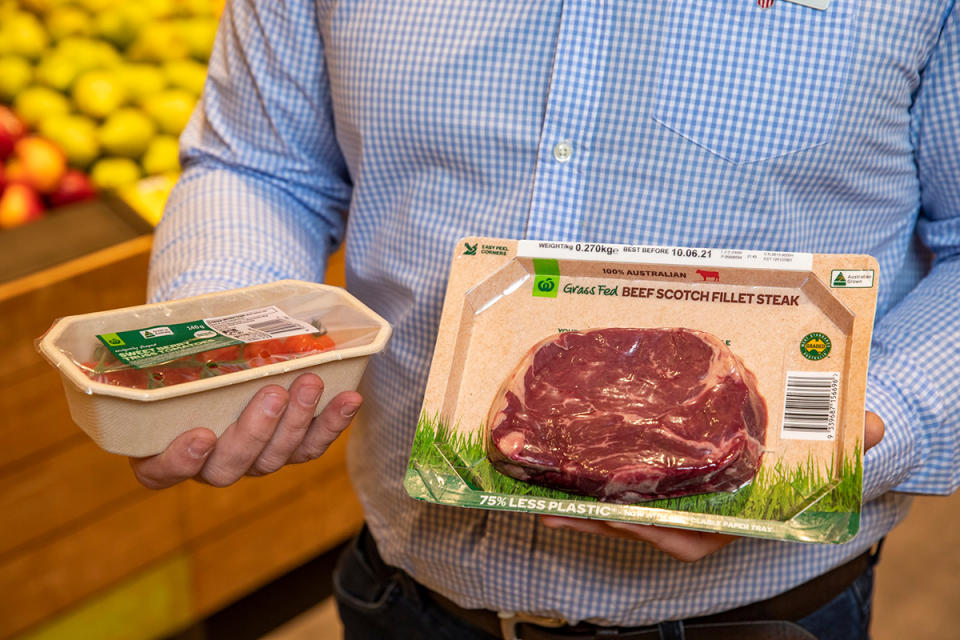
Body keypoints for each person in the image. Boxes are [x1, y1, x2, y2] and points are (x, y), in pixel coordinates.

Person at [133, 2, 960, 639]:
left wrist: (853, 432)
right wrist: (236, 338)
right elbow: (260, 163)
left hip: (760, 617)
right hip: (406, 597)